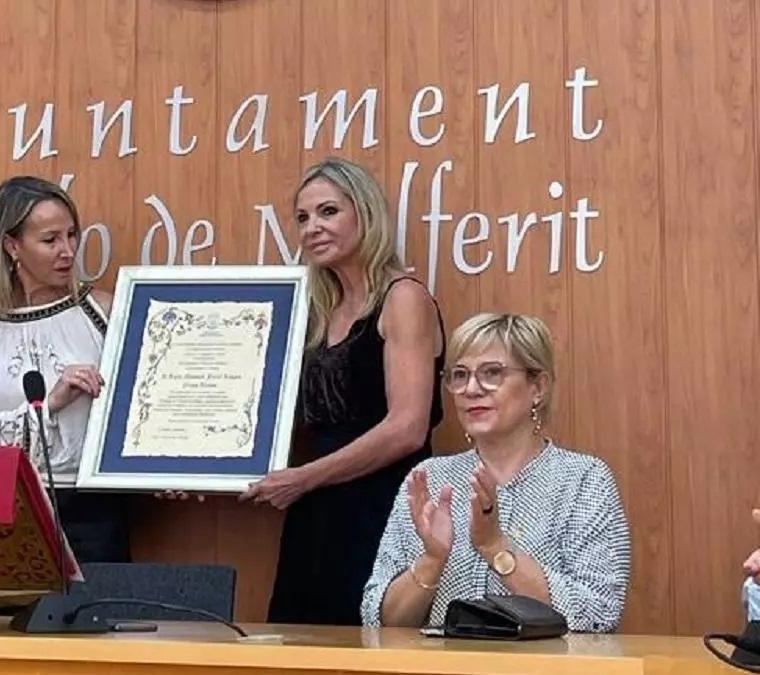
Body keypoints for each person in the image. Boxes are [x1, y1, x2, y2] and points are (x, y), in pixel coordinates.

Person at [240, 157, 445, 625]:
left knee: (368, 642)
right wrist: (190, 465)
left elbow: (408, 429)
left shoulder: (403, 298)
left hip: (381, 506)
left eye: (328, 212)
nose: (312, 227)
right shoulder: (316, 309)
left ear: (365, 214)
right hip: (315, 508)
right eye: (303, 218)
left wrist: (305, 477)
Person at [362, 312, 631, 633]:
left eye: (492, 373)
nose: (471, 389)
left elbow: (598, 614)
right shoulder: (429, 479)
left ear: (538, 387)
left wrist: (496, 547)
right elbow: (378, 623)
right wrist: (432, 560)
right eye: (459, 375)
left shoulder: (584, 480)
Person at [0, 175, 129, 563]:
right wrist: (50, 405)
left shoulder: (103, 310)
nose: (67, 251)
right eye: (50, 240)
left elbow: (142, 401)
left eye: (71, 235)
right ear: (12, 245)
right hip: (9, 512)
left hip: (93, 513)